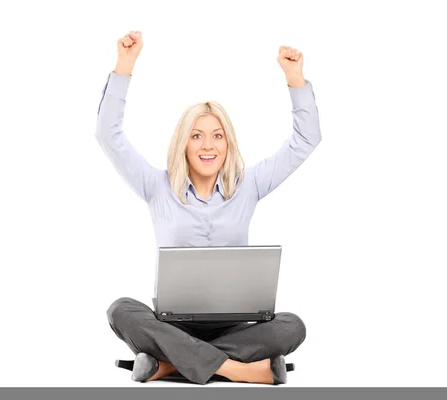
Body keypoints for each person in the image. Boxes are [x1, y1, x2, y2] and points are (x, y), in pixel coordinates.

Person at [96, 30, 322, 385]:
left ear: (228, 143)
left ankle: (170, 365)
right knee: (120, 310)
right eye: (197, 135)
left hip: (234, 325)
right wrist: (125, 66)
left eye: (217, 135)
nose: (208, 145)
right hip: (171, 323)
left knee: (292, 327)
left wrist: (295, 79)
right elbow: (108, 135)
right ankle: (241, 370)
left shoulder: (248, 185)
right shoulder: (156, 186)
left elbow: (306, 140)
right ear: (183, 142)